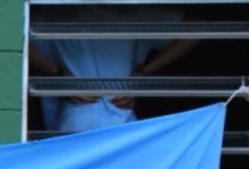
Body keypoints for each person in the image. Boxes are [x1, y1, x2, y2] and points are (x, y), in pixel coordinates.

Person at [30, 5, 200, 133]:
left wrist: (57, 73)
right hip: (109, 120)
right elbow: (196, 28)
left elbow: (195, 28)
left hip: (85, 119)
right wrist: (144, 73)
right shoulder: (132, 12)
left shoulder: (57, 12)